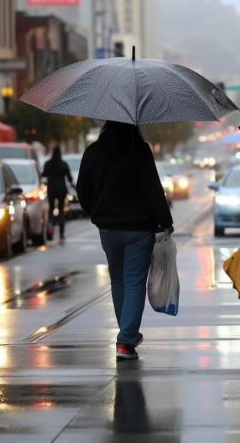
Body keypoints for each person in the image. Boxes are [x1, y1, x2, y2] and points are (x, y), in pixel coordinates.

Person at [77, 121, 173, 360]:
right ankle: (126, 340)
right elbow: (153, 189)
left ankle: (127, 333)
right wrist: (165, 220)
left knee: (118, 282)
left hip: (107, 230)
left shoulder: (92, 152)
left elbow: (82, 190)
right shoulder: (139, 150)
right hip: (138, 230)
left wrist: (98, 213)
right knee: (133, 283)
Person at [42, 146, 73, 242]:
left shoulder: (48, 164)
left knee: (51, 209)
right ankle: (61, 234)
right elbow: (70, 178)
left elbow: (43, 175)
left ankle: (50, 229)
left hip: (51, 188)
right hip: (61, 188)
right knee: (61, 210)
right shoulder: (63, 164)